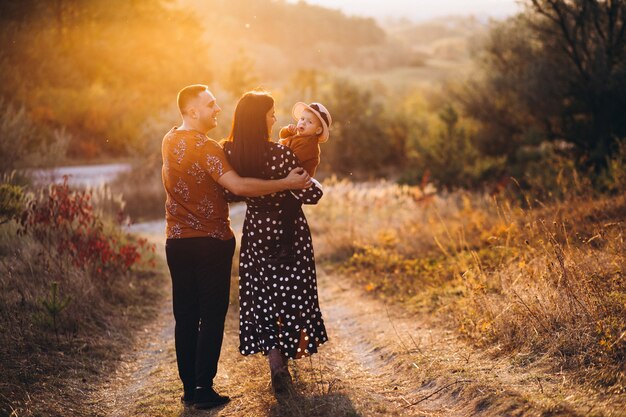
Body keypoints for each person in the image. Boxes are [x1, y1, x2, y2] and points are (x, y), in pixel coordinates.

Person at [161, 84, 311, 410]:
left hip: (176, 242)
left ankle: (190, 389)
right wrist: (286, 183)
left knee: (185, 315)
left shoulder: (169, 139)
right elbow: (239, 186)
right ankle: (202, 388)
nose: (217, 109)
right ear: (191, 111)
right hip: (211, 243)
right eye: (210, 105)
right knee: (212, 315)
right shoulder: (208, 148)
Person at [222, 91, 328, 396]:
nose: (274, 118)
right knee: (292, 293)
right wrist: (312, 183)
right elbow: (311, 193)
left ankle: (276, 364)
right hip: (288, 231)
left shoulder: (231, 154)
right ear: (259, 119)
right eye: (270, 113)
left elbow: (229, 193)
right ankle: (289, 357)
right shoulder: (281, 155)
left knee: (263, 294)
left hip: (257, 231)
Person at [270, 102, 332, 263]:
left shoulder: (310, 144)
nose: (303, 123)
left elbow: (292, 159)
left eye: (309, 122)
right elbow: (283, 137)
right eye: (302, 119)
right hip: (290, 182)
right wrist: (287, 130)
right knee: (280, 212)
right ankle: (277, 244)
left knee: (287, 214)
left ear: (318, 130)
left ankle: (286, 249)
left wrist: (280, 152)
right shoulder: (298, 136)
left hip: (298, 186)